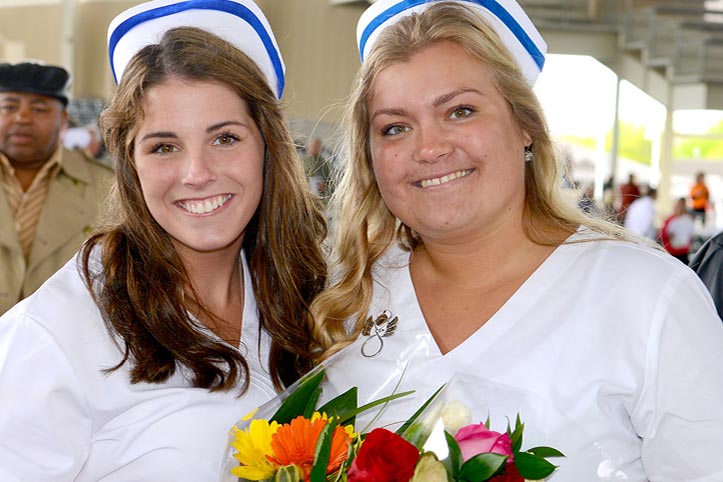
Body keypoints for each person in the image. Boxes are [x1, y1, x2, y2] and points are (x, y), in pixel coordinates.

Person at [311, 1, 723, 481]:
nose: (429, 148)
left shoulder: (647, 297)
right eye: (395, 127)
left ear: (525, 126)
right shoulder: (344, 299)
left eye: (460, 111)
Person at [0, 0, 327, 480]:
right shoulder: (58, 332)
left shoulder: (309, 299)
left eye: (225, 138)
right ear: (130, 163)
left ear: (268, 146)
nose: (196, 174)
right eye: (164, 147)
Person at [0, 61, 113, 314]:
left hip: (65, 345)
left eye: (39, 109)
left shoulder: (108, 188)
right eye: (9, 107)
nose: (22, 118)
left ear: (63, 119)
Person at [660, 197, 696, 264]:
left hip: (680, 251)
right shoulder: (672, 219)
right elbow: (664, 234)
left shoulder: (687, 219)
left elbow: (691, 235)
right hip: (673, 251)